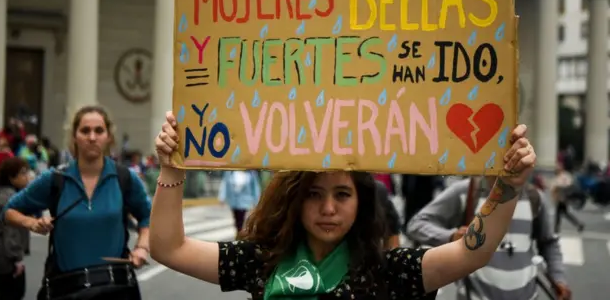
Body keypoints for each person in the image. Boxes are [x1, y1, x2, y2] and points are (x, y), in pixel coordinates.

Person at [149, 111, 536, 300]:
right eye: (314, 195)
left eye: (342, 194)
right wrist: (172, 166)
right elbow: (168, 248)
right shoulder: (260, 261)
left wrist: (507, 186)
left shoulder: (388, 270)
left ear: (362, 203)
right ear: (295, 203)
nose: (328, 208)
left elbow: (473, 253)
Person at [2, 105, 153, 300]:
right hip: (66, 289)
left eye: (99, 131)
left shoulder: (125, 178)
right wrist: (32, 223)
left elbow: (147, 216)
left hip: (116, 289)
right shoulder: (54, 179)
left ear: (108, 137)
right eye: (85, 131)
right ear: (74, 136)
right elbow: (8, 211)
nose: (92, 137)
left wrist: (142, 247)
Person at [406, 173, 571, 300]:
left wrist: (558, 278)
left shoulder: (534, 197)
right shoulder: (467, 191)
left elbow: (548, 242)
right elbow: (417, 224)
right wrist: (451, 236)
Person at [0, 157, 32, 300]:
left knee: (4, 292)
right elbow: (12, 232)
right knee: (15, 293)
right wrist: (17, 259)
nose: (27, 177)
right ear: (11, 177)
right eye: (23, 173)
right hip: (5, 254)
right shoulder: (10, 199)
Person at [218, 170, 261, 235]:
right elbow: (225, 184)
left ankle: (241, 236)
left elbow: (255, 187)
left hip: (246, 202)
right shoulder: (229, 172)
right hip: (234, 202)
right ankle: (239, 235)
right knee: (238, 221)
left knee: (243, 221)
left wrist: (257, 201)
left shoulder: (251, 173)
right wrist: (222, 197)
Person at [552, 161, 584, 233]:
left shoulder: (565, 176)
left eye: (557, 168)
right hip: (561, 197)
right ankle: (578, 224)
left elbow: (568, 185)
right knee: (563, 213)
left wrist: (563, 193)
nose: (556, 170)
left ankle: (556, 229)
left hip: (563, 196)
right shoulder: (558, 177)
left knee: (561, 213)